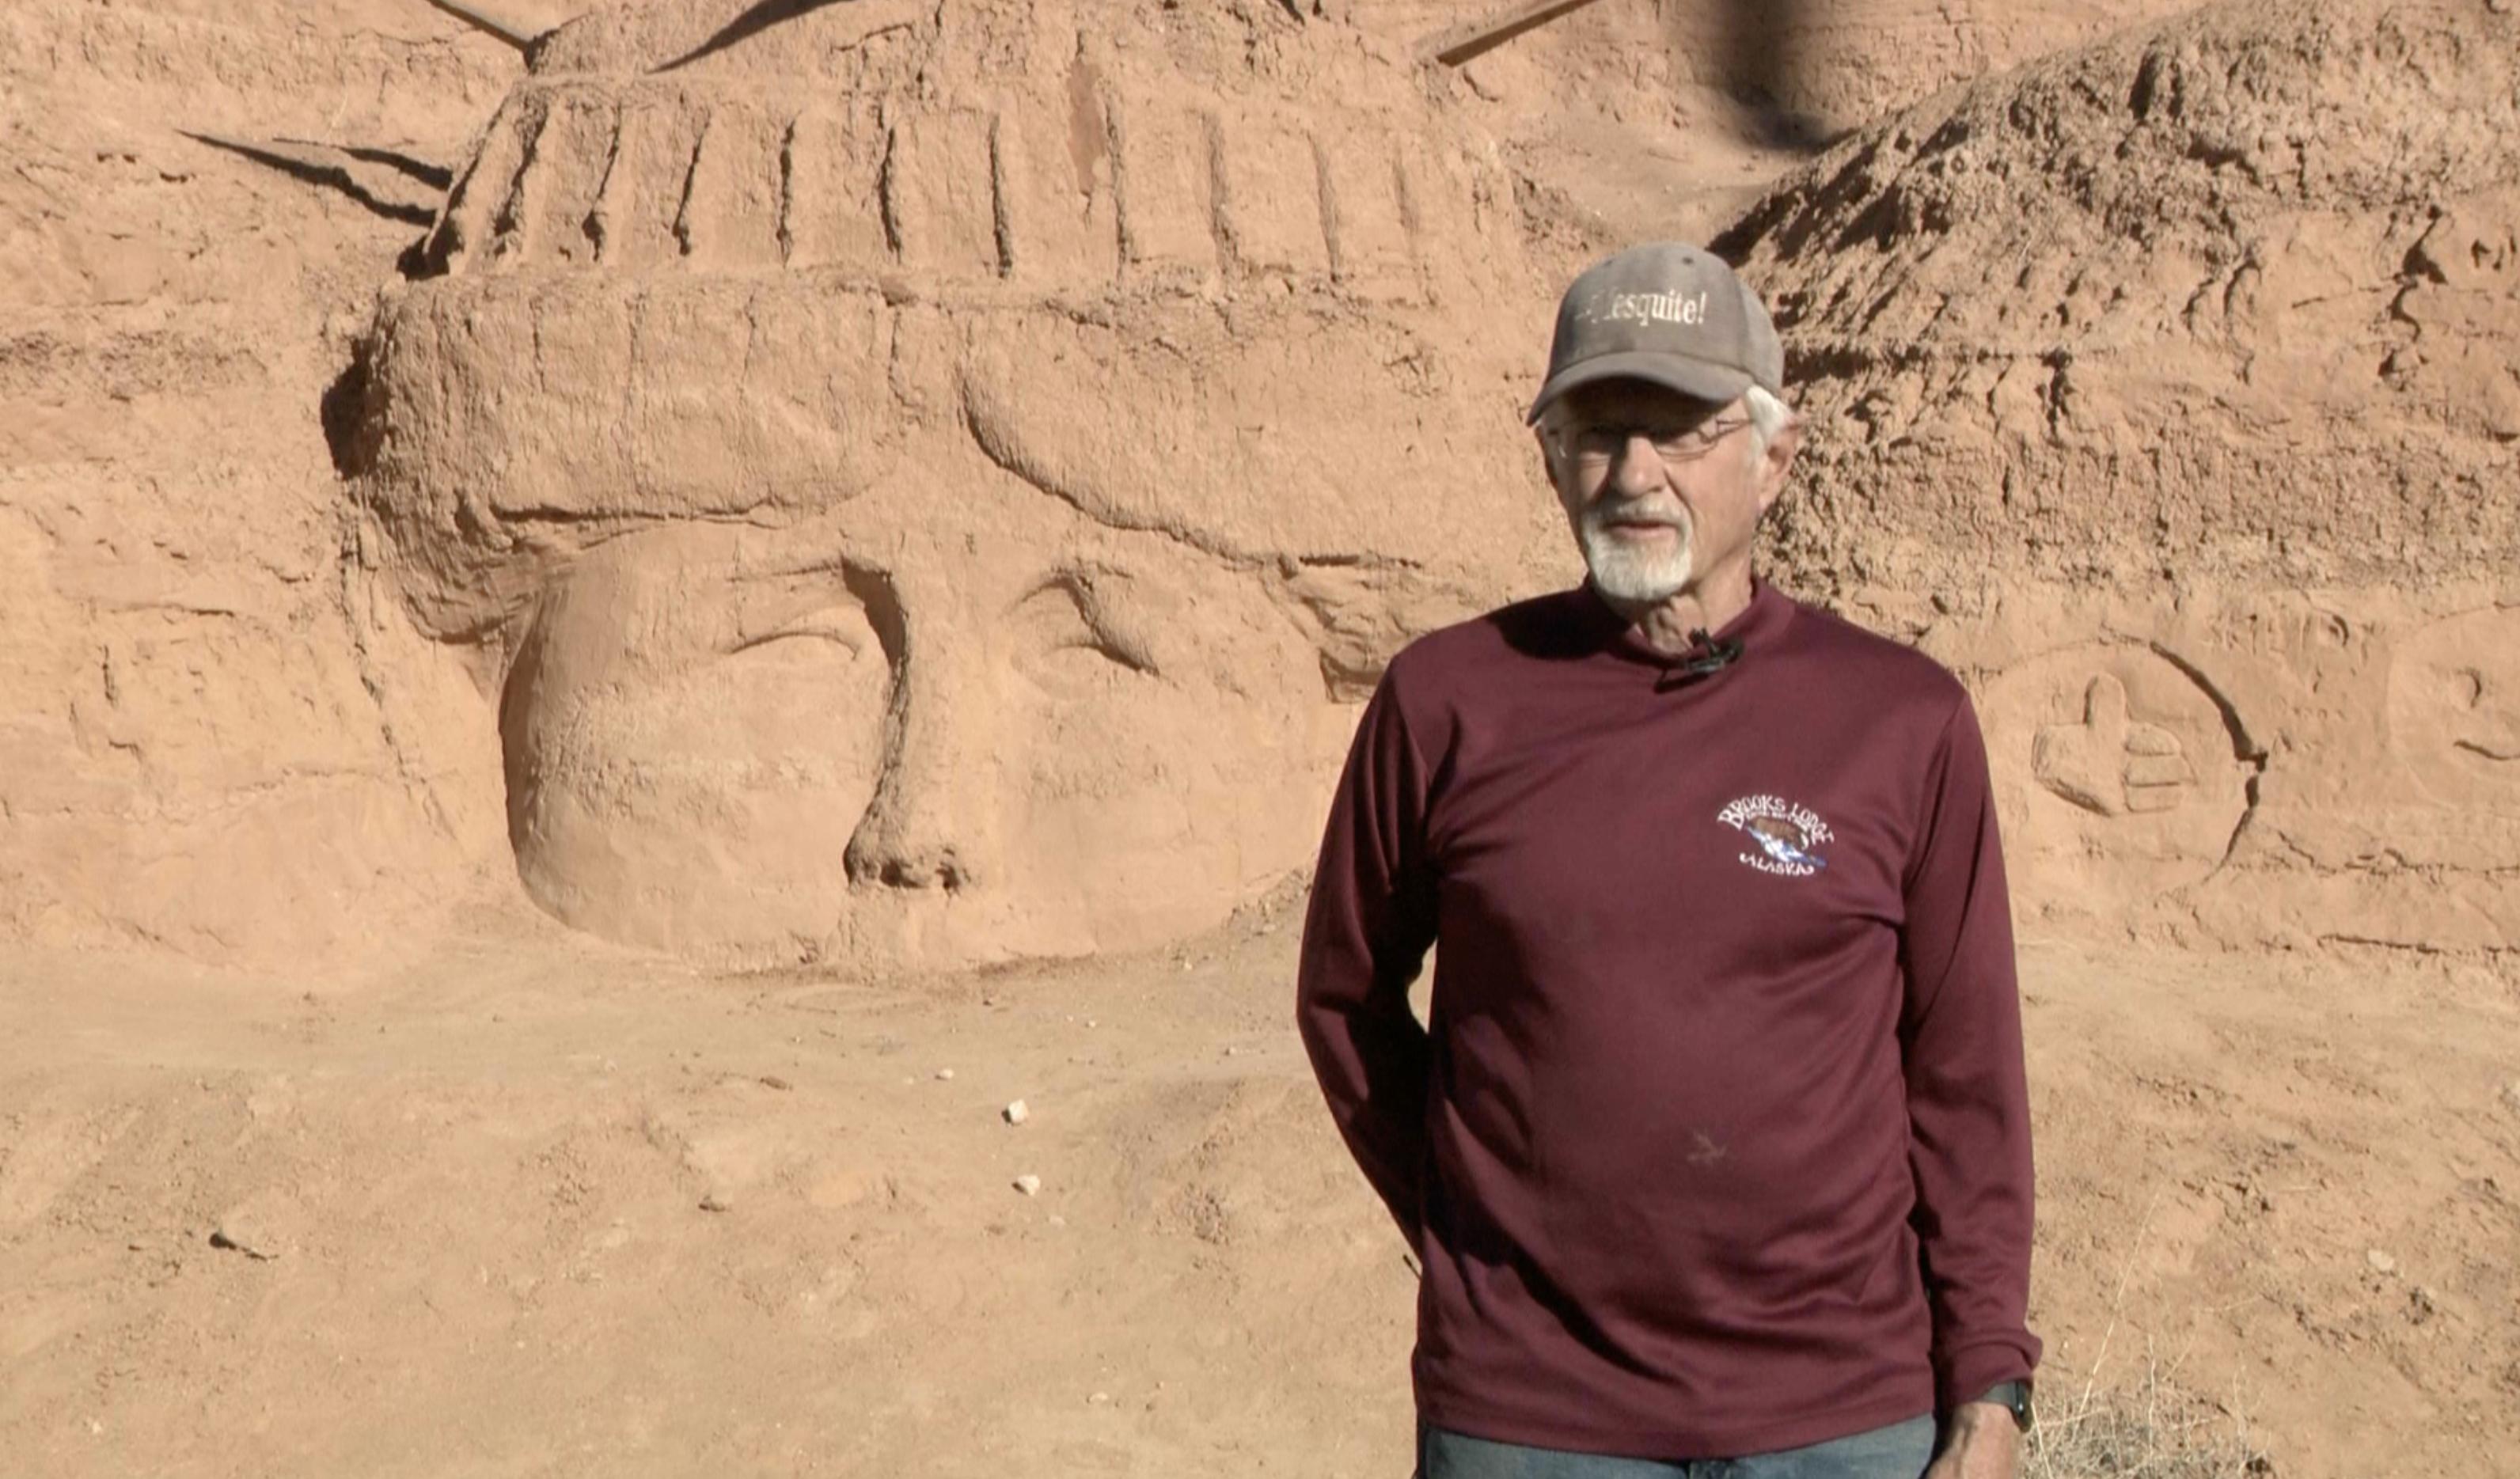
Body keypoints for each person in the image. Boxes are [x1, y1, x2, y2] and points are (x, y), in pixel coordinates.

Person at [1296, 241, 2038, 1479]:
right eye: (1596, 427)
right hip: (1531, 1423)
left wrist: (1989, 1387)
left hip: (1842, 1418)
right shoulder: (1449, 700)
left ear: (1775, 459)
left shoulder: (1900, 720)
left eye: (1682, 428)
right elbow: (1344, 997)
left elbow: (1966, 1075)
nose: (1634, 472)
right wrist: (1471, 1221)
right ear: (1549, 460)